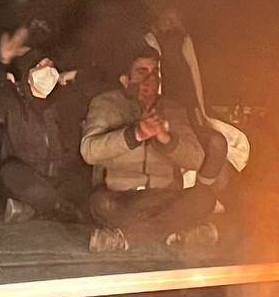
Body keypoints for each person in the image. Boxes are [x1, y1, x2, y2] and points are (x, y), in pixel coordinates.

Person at [80, 47, 218, 254]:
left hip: (164, 197)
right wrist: (135, 134)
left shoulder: (172, 109)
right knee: (101, 204)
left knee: (204, 198)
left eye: (155, 72)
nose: (150, 78)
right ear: (125, 79)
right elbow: (89, 151)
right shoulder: (106, 104)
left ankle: (127, 238)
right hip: (122, 197)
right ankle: (176, 234)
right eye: (142, 72)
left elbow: (196, 159)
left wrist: (166, 139)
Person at [0, 46, 92, 222]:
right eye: (40, 64)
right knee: (12, 175)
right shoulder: (12, 102)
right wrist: (4, 69)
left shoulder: (66, 101)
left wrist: (74, 75)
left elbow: (100, 81)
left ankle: (34, 209)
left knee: (82, 184)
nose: (46, 68)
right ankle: (55, 207)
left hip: (59, 177)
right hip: (27, 177)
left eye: (50, 64)